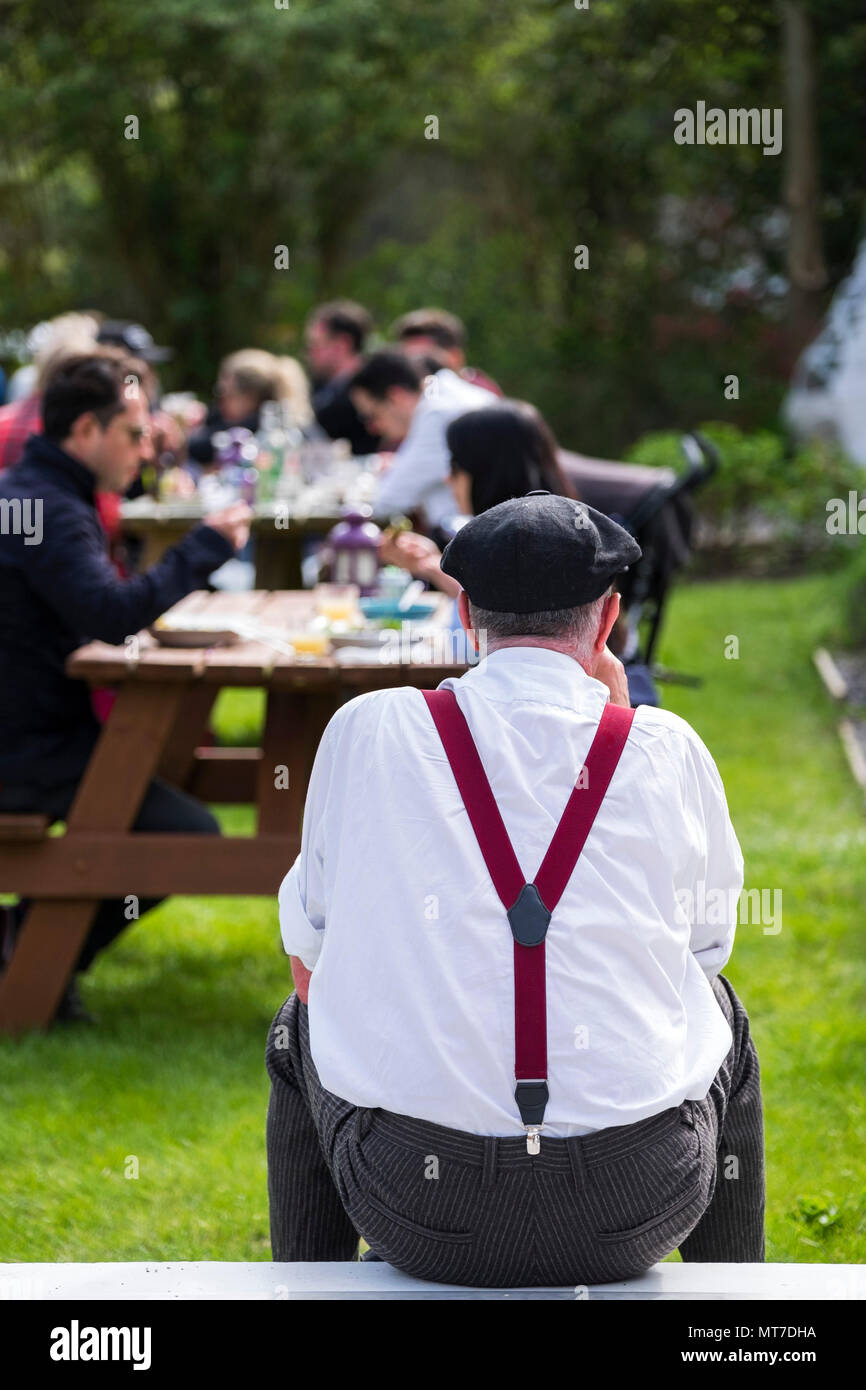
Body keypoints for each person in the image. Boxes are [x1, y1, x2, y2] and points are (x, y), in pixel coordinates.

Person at [266, 492, 764, 1288]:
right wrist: (623, 719)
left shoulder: (367, 727)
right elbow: (704, 952)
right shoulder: (666, 745)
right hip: (637, 1200)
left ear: (465, 614)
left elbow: (310, 960)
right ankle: (743, 1315)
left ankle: (307, 1293)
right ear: (608, 620)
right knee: (725, 1016)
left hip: (419, 1205)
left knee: (299, 1025)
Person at [0, 353, 251, 1023]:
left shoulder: (34, 493)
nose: (147, 448)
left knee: (162, 806)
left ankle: (29, 950)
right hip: (24, 751)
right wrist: (203, 548)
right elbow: (110, 615)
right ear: (86, 430)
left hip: (33, 734)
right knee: (185, 840)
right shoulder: (44, 508)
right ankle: (27, 954)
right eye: (134, 433)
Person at [378, 401, 577, 596]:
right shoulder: (556, 537)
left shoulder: (523, 549)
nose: (447, 478)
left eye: (455, 465)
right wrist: (432, 564)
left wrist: (434, 567)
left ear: (489, 472)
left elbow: (494, 611)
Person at [348, 350, 496, 536]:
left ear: (396, 396)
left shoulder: (437, 413)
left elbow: (387, 501)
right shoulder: (447, 394)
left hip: (474, 541)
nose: (372, 428)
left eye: (370, 415)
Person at [187, 348, 313, 465]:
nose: (219, 402)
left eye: (223, 392)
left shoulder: (259, 433)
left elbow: (200, 447)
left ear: (249, 398)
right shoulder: (288, 425)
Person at [305, 301, 381, 456]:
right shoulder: (320, 385)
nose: (310, 352)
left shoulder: (372, 388)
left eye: (316, 344)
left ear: (342, 344)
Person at [392, 307, 503, 397]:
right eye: (405, 360)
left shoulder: (483, 398)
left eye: (424, 360)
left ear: (455, 357)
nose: (412, 369)